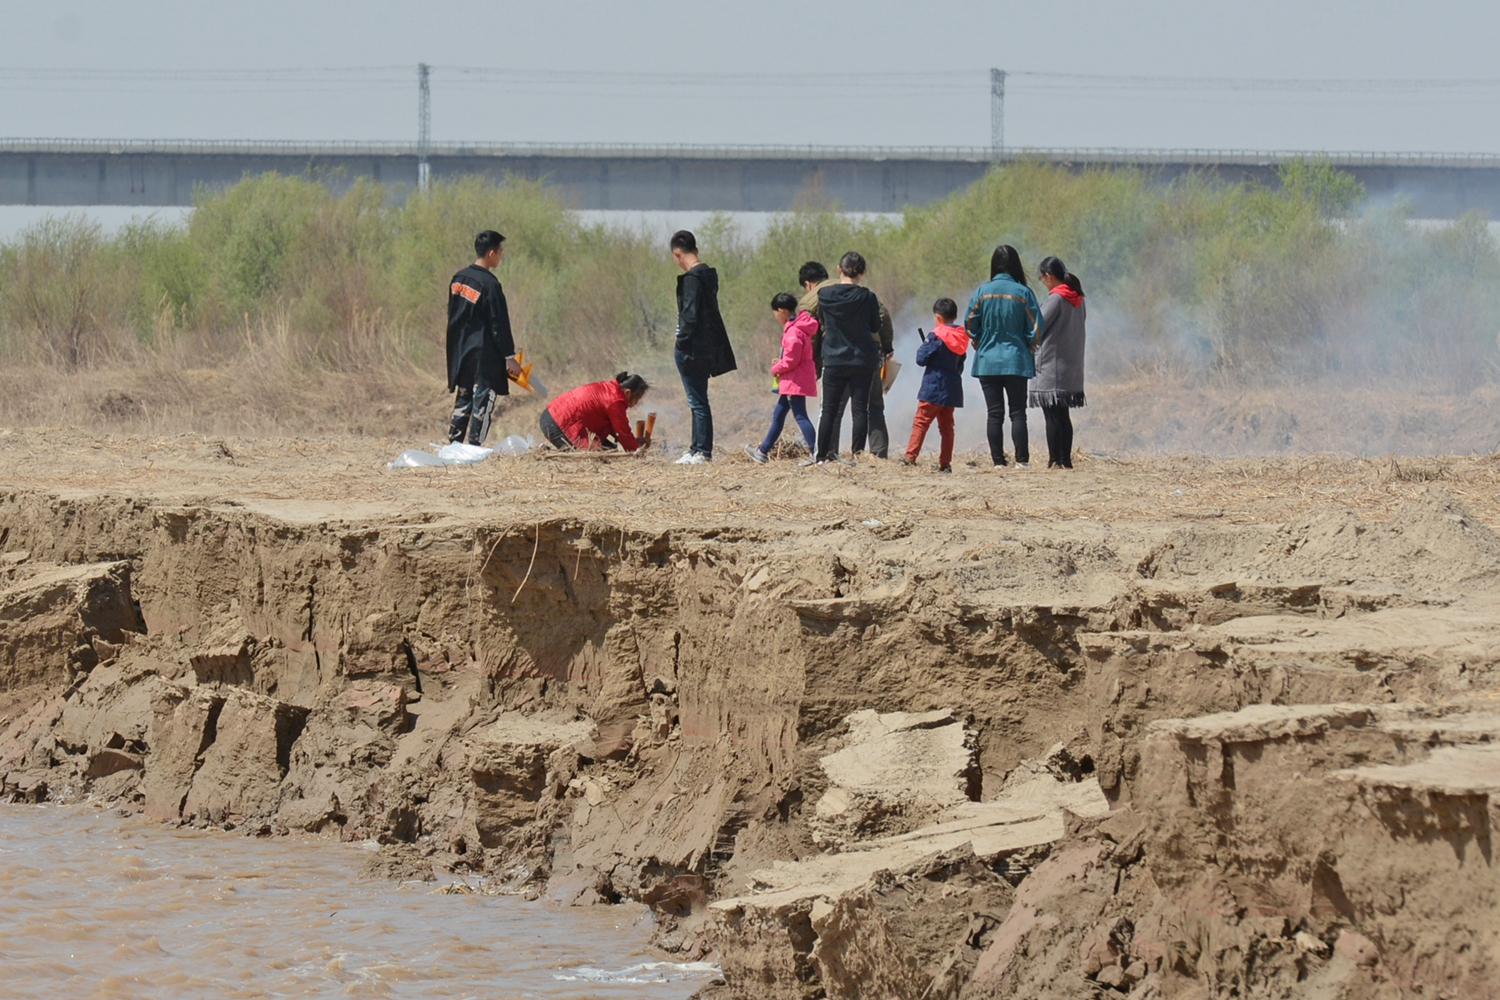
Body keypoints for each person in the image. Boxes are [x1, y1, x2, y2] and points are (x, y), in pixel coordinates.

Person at [797, 260, 894, 458]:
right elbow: (883, 316)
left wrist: (814, 363)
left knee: (832, 410)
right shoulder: (864, 293)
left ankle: (828, 454)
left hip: (836, 357)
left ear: (808, 284)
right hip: (869, 355)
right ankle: (878, 454)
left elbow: (811, 333)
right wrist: (886, 347)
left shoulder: (814, 298)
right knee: (872, 407)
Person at [965, 244, 1041, 468]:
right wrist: (1029, 347)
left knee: (994, 414)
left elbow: (969, 325)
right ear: (1015, 265)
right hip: (1016, 360)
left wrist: (978, 339)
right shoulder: (1023, 293)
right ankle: (1022, 461)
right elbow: (1036, 328)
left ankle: (998, 462)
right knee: (1018, 413)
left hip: (987, 361)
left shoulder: (982, 291)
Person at [447, 230, 521, 445]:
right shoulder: (490, 285)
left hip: (462, 351)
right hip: (485, 354)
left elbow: (453, 317)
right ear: (491, 253)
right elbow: (499, 324)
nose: (501, 256)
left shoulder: (458, 279)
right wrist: (509, 356)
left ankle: (454, 445)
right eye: (500, 252)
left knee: (464, 398)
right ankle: (474, 448)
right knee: (483, 400)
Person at [671, 230, 736, 464]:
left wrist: (681, 343)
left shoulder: (692, 280)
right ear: (695, 250)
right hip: (707, 347)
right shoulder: (708, 276)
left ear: (677, 253)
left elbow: (689, 316)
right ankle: (695, 448)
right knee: (697, 399)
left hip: (692, 349)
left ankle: (703, 451)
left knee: (697, 401)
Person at [746, 292, 818, 463]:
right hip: (795, 379)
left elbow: (792, 360)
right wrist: (782, 361)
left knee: (800, 416)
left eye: (775, 313)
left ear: (782, 310)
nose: (776, 316)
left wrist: (776, 368)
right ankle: (762, 451)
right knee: (778, 415)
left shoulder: (793, 332)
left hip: (794, 380)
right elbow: (795, 356)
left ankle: (817, 452)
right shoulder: (798, 328)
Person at [899, 297, 969, 472]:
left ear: (937, 317)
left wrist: (926, 344)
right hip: (952, 387)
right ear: (955, 315)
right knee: (947, 427)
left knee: (921, 422)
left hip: (933, 386)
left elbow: (921, 359)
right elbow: (961, 364)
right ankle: (945, 463)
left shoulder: (936, 335)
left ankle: (910, 458)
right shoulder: (962, 336)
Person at [1030, 256, 1087, 469]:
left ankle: (1054, 460)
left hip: (1051, 365)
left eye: (1042, 278)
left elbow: (1038, 327)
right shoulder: (1078, 298)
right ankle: (1066, 460)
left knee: (1052, 415)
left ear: (1049, 276)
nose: (1043, 282)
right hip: (1071, 364)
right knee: (1063, 414)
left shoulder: (1056, 299)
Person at [540, 373, 652, 452]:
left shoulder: (611, 387)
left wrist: (633, 442)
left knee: (609, 449)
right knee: (598, 457)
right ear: (628, 393)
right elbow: (622, 432)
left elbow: (617, 430)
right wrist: (637, 449)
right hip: (559, 425)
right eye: (638, 398)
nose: (636, 403)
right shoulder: (615, 400)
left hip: (551, 415)